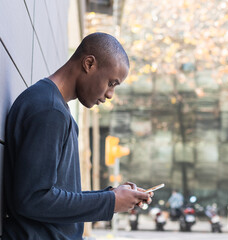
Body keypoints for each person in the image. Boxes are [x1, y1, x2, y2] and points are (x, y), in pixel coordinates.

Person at [3, 32, 153, 239]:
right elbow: (33, 199)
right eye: (111, 83)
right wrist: (110, 202)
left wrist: (111, 196)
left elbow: (55, 195)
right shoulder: (49, 111)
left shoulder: (54, 108)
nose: (110, 95)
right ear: (89, 64)